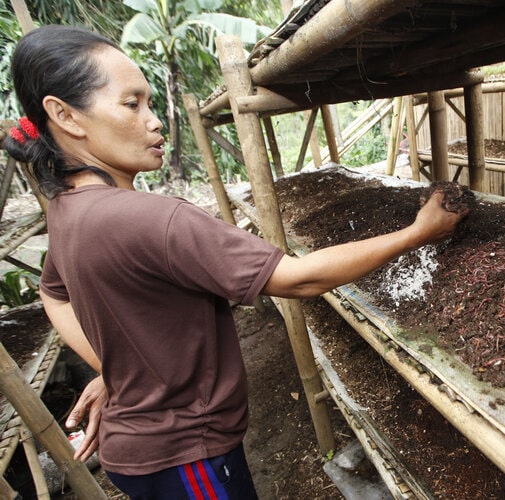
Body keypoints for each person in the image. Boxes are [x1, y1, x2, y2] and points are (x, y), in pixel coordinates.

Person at [4, 24, 467, 499]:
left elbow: (52, 294)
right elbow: (298, 278)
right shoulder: (151, 219)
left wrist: (115, 371)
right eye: (131, 104)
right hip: (186, 456)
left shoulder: (65, 211)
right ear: (66, 116)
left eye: (149, 102)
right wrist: (419, 232)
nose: (155, 120)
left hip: (137, 453)